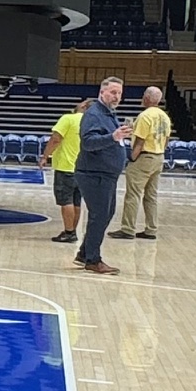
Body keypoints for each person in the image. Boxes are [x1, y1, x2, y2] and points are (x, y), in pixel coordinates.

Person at [74, 77, 132, 276]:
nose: (117, 97)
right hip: (93, 174)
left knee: (106, 214)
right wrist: (113, 137)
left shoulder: (109, 114)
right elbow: (88, 143)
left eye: (120, 93)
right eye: (113, 92)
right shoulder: (94, 114)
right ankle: (93, 260)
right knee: (99, 216)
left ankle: (84, 253)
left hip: (106, 175)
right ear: (102, 92)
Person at [111, 86, 173, 241]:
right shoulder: (164, 116)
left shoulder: (145, 116)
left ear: (146, 98)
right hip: (158, 156)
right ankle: (151, 229)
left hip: (144, 157)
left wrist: (132, 157)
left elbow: (140, 140)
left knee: (133, 194)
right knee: (151, 196)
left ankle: (128, 228)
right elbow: (166, 139)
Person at [39, 96, 91, 245]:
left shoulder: (68, 118)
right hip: (82, 168)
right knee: (76, 201)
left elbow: (55, 138)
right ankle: (72, 231)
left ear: (85, 106)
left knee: (66, 201)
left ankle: (69, 232)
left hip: (66, 166)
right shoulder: (89, 123)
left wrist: (45, 156)